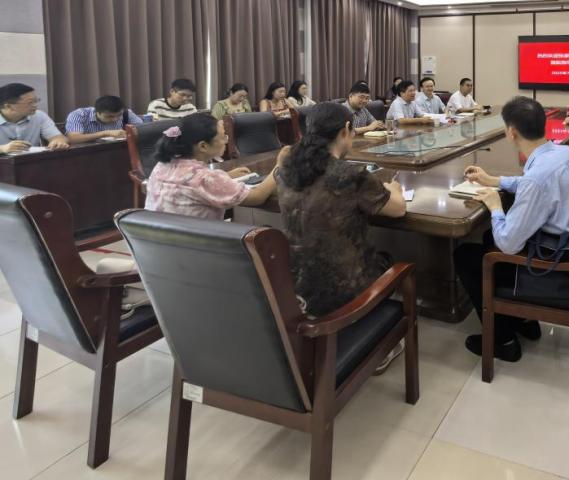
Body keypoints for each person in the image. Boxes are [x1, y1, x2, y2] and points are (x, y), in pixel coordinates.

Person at [455, 96, 569, 362]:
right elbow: (536, 183)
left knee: (466, 256)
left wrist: (495, 205)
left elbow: (508, 244)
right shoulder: (565, 152)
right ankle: (524, 321)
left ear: (511, 132)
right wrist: (496, 180)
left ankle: (503, 340)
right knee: (488, 236)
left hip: (561, 268)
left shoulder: (537, 178)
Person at [276, 102, 407, 372]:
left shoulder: (286, 169)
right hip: (345, 289)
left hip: (297, 285)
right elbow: (398, 209)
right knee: (387, 260)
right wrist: (394, 189)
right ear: (346, 130)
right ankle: (378, 342)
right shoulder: (349, 174)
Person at [144, 113, 283, 220]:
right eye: (223, 136)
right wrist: (280, 164)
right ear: (203, 146)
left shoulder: (161, 166)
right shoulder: (205, 178)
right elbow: (257, 197)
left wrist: (225, 176)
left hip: (156, 243)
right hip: (199, 245)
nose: (226, 141)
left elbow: (191, 184)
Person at [0, 83, 69, 154]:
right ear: (8, 106)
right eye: (30, 102)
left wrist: (58, 142)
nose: (35, 105)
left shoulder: (39, 116)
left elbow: (58, 137)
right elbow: (3, 149)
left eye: (36, 101)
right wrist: (2, 149)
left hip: (31, 159)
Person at [65, 95, 144, 144]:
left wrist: (133, 132)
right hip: (87, 154)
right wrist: (106, 133)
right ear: (96, 112)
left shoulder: (126, 113)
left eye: (119, 115)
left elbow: (143, 128)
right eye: (109, 116)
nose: (115, 119)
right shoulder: (79, 115)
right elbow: (73, 139)